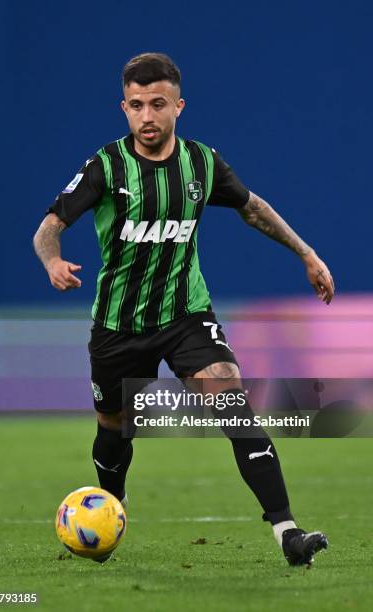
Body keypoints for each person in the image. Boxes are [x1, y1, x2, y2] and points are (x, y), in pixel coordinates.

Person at [33, 52, 334, 566]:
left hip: (185, 316)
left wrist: (305, 253)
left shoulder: (202, 163)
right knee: (112, 427)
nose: (146, 116)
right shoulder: (105, 167)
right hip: (118, 326)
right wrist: (53, 261)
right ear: (123, 107)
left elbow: (252, 208)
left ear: (179, 105)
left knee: (232, 405)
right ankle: (112, 507)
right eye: (135, 105)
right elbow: (49, 228)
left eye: (157, 104)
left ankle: (287, 531)